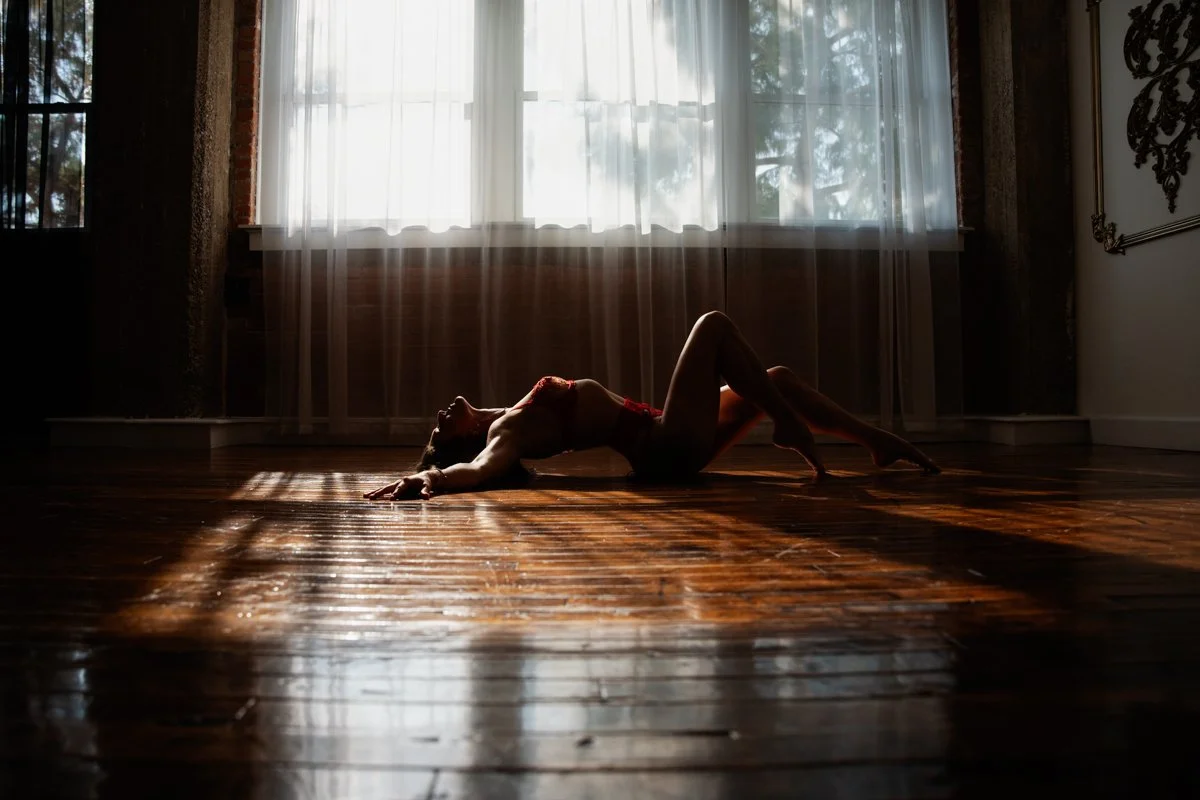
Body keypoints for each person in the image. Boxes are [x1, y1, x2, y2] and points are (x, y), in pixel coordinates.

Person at [364, 311, 939, 501]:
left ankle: (875, 443)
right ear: (463, 440)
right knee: (712, 326)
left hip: (669, 440)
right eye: (442, 429)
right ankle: (789, 425)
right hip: (665, 447)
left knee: (777, 377)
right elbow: (482, 472)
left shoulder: (502, 413)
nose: (441, 415)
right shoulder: (504, 437)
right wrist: (431, 477)